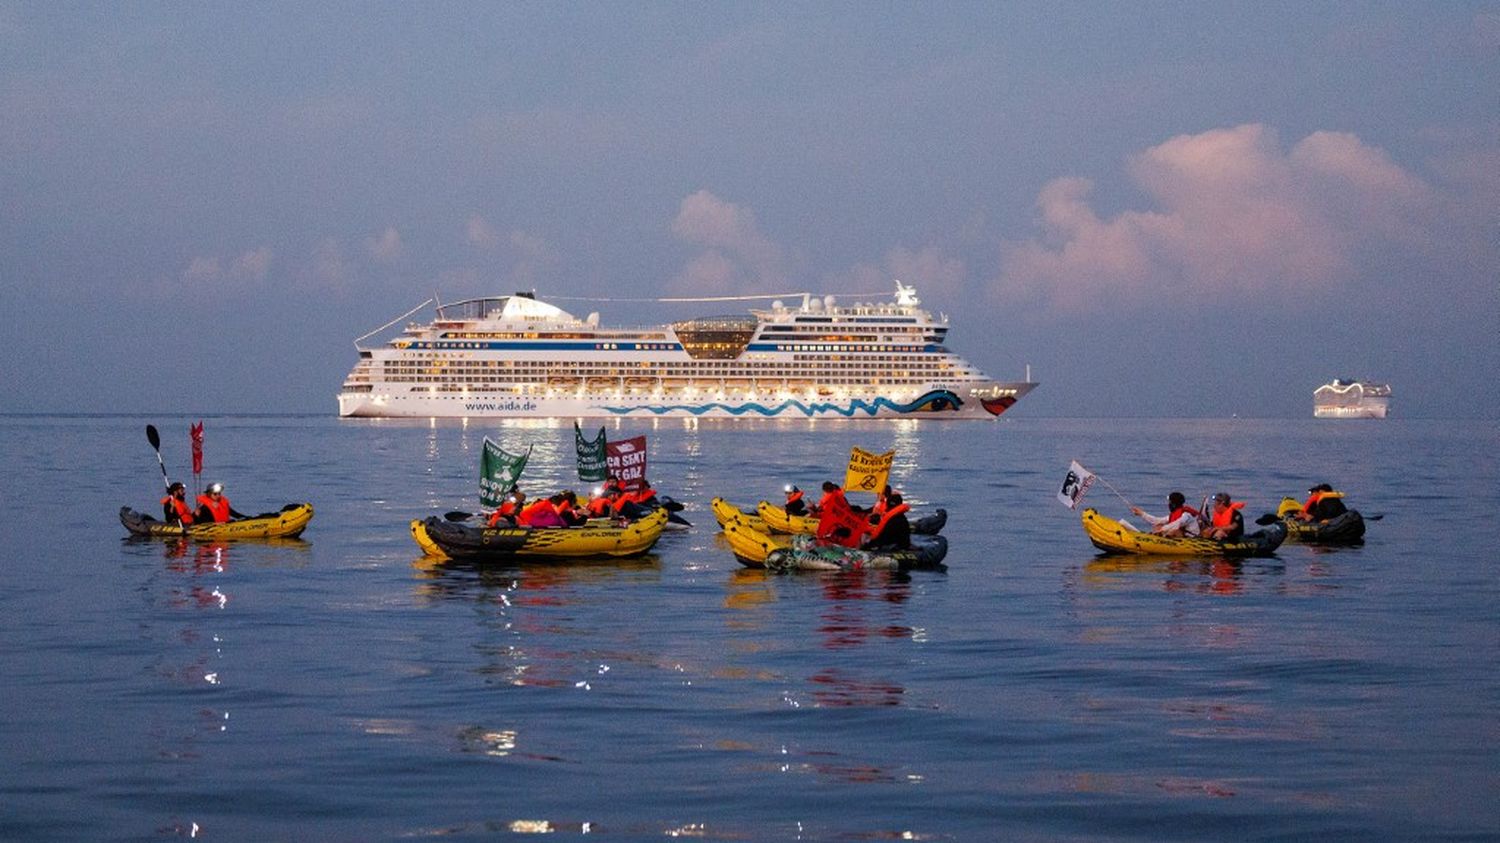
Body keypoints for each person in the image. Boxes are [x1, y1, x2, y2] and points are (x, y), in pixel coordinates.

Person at [1131, 492, 1200, 537]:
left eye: (1170, 502)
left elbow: (1177, 524)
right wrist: (1141, 513)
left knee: (1174, 531)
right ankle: (1156, 538)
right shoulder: (1174, 514)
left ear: (1173, 504)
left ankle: (1158, 541)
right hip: (1182, 535)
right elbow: (1157, 521)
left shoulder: (1186, 515)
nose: (1168, 504)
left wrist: (1162, 530)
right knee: (1158, 525)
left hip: (1192, 538)